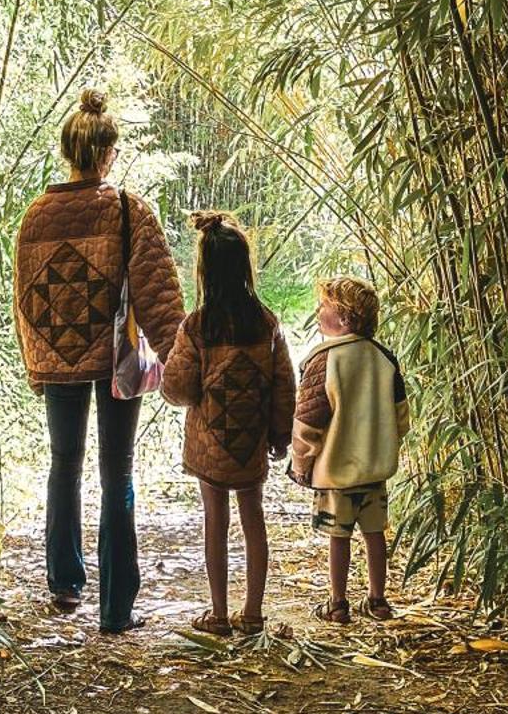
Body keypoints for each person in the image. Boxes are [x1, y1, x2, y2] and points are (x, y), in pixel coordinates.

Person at [13, 89, 185, 633]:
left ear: (69, 151)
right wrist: (181, 359)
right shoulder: (128, 210)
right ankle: (116, 606)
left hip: (60, 358)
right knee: (118, 471)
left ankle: (64, 584)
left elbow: (26, 297)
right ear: (108, 153)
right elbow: (158, 293)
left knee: (64, 464)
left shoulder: (36, 216)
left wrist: (37, 361)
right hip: (117, 358)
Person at [162, 213, 296, 637]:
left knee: (214, 521)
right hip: (250, 443)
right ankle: (253, 612)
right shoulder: (267, 324)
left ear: (204, 271)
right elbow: (283, 386)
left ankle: (219, 614)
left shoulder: (197, 325)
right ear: (245, 267)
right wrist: (279, 435)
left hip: (210, 444)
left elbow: (178, 388)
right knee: (253, 518)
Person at [290, 276, 410, 625]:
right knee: (375, 534)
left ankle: (338, 603)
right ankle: (378, 599)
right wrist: (387, 442)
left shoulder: (325, 360)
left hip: (336, 473)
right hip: (375, 471)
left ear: (343, 319)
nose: (317, 312)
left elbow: (308, 422)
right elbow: (401, 416)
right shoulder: (384, 359)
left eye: (324, 307)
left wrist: (301, 463)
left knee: (337, 537)